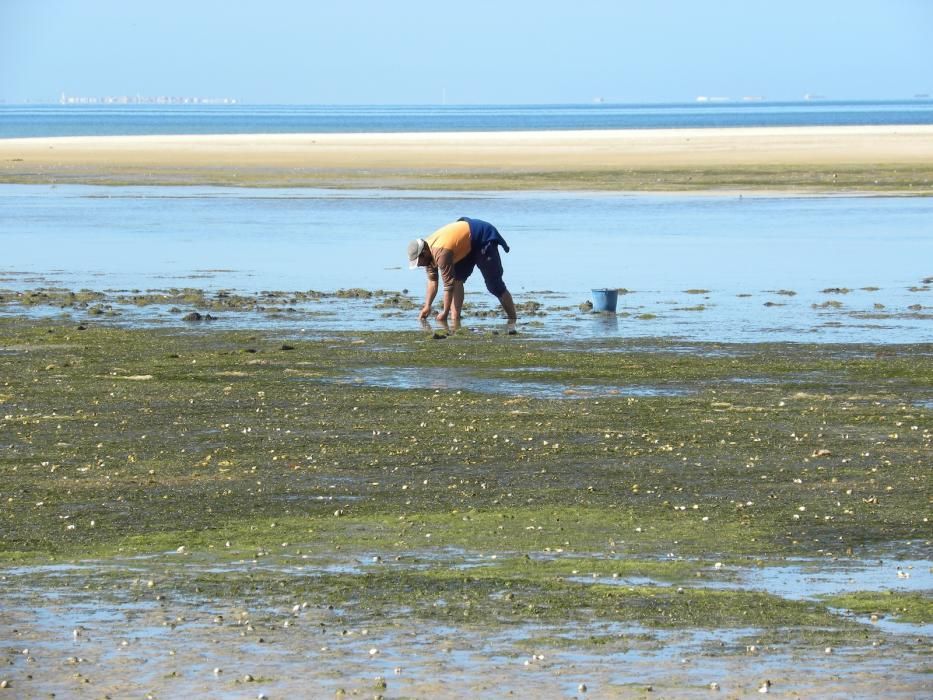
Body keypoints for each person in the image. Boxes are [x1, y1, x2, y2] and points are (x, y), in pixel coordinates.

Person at [408, 217, 517, 324]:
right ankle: (455, 321)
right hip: (465, 243)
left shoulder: (441, 253)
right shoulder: (427, 256)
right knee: (457, 280)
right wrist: (427, 306)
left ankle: (513, 320)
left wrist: (445, 312)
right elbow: (432, 282)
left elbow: (448, 286)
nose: (419, 265)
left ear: (424, 253)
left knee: (494, 286)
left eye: (418, 262)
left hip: (482, 236)